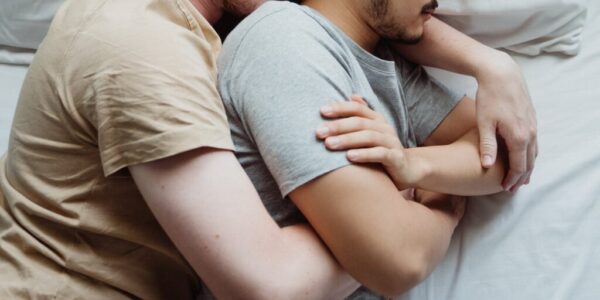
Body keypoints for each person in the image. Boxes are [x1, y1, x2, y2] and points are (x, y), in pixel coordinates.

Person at [0, 0, 536, 299]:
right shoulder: (140, 42)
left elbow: (359, 21)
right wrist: (429, 200)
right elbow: (274, 285)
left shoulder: (210, 33)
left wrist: (490, 64)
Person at [216, 0, 534, 297]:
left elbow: (508, 151)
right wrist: (447, 208)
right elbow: (401, 259)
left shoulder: (381, 61)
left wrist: (415, 165)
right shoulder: (284, 41)